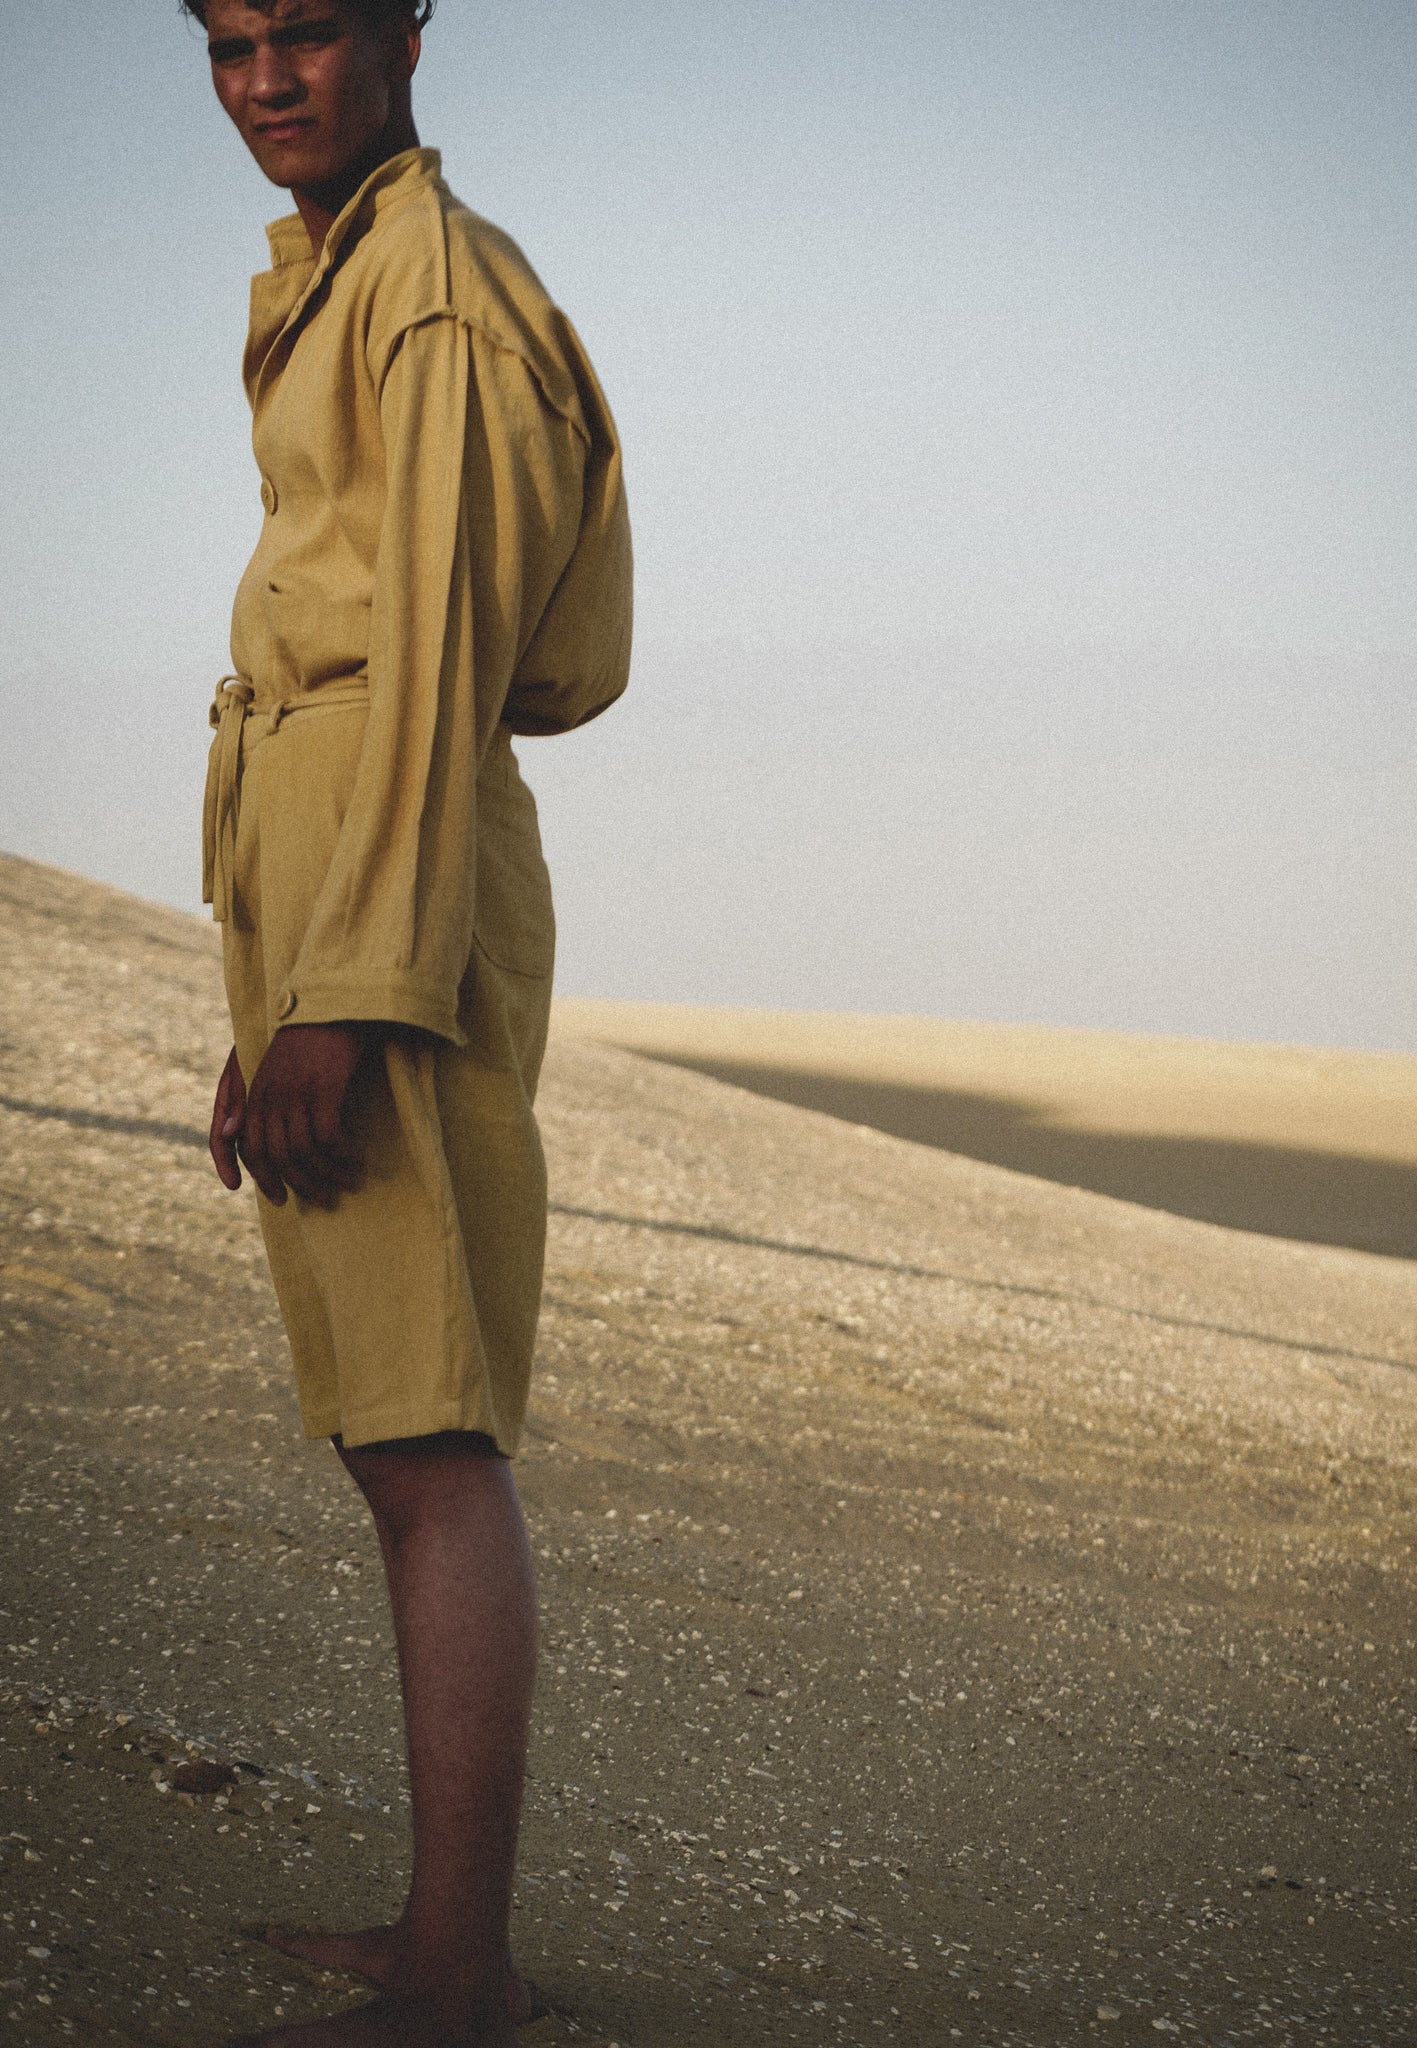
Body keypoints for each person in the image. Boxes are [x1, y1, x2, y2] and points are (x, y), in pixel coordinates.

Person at [189, 2, 632, 2042]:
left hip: (404, 892)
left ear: (403, 30)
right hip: (342, 894)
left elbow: (442, 666)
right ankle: (440, 1933)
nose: (265, 76)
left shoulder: (435, 299)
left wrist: (348, 998)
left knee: (433, 1435)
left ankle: (462, 1972)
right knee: (395, 1430)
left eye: (305, 30)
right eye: (223, 42)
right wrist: (276, 989)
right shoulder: (340, 278)